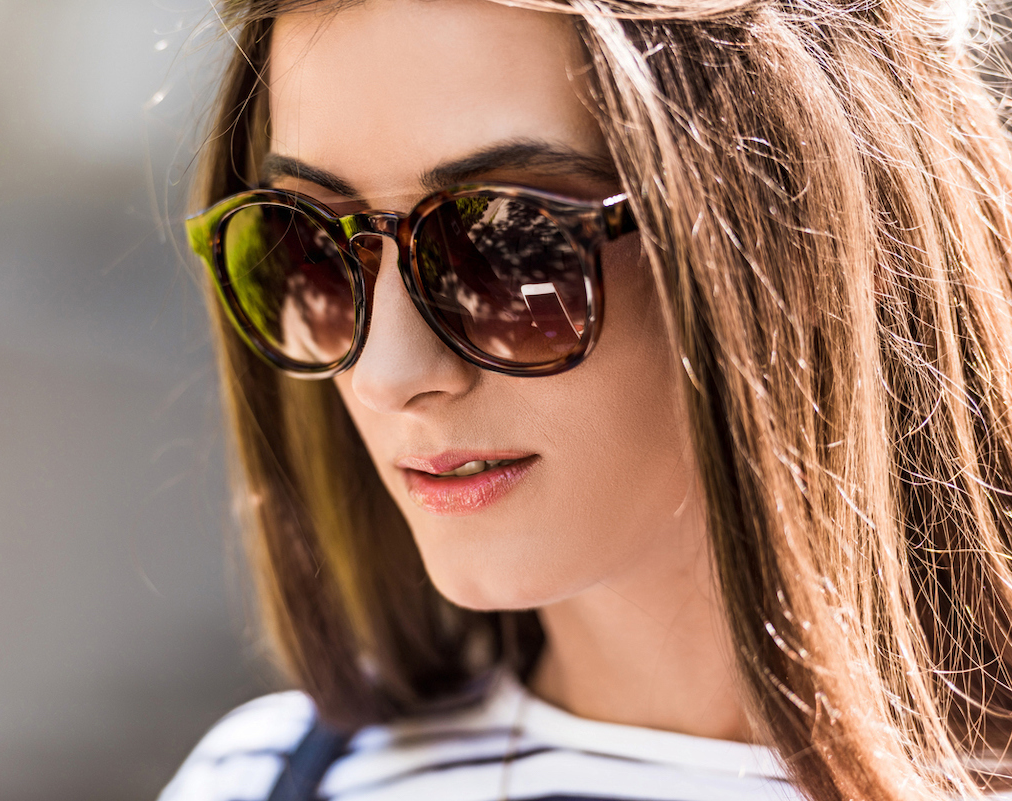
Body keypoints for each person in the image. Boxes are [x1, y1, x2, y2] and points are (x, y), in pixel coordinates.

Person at [159, 0, 1012, 797]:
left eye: (512, 245)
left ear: (792, 234)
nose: (388, 374)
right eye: (308, 245)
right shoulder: (267, 780)